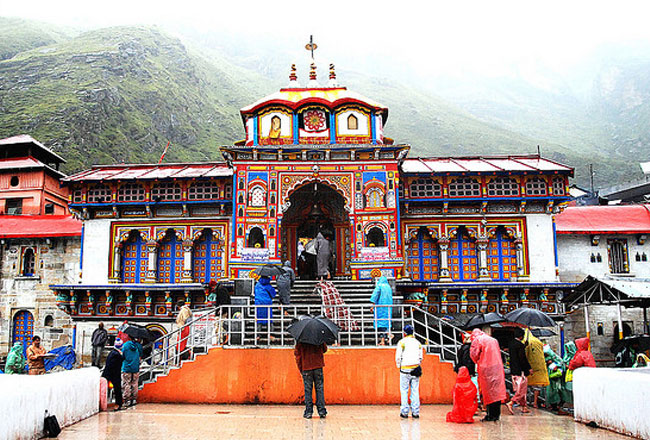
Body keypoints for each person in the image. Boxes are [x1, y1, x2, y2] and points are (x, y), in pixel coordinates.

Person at [469, 328, 507, 422]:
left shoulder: (477, 340)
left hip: (486, 368)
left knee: (488, 392)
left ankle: (490, 415)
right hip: (497, 367)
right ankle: (496, 414)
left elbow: (474, 354)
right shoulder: (493, 340)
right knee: (496, 392)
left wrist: (477, 361)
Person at [395, 324, 423, 419]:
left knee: (404, 390)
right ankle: (415, 412)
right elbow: (420, 357)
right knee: (415, 390)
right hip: (415, 368)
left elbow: (398, 357)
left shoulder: (401, 342)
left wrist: (399, 366)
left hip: (404, 369)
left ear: (404, 333)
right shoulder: (418, 343)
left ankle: (405, 411)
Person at [294, 341, 328, 419]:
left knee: (308, 390)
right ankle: (321, 411)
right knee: (319, 389)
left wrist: (301, 368)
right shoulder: (319, 337)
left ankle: (309, 412)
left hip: (306, 367)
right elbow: (325, 349)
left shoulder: (301, 340)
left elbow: (297, 355)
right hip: (318, 366)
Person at [506, 327, 531, 414]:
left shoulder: (511, 344)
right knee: (522, 390)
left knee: (519, 389)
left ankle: (524, 407)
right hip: (520, 371)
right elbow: (522, 359)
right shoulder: (520, 345)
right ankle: (511, 402)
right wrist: (528, 369)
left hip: (513, 370)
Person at [523, 328, 549, 407]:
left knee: (524, 386)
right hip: (538, 368)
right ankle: (534, 402)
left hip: (528, 367)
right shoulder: (538, 343)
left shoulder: (525, 342)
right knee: (536, 387)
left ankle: (523, 403)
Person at [454, 333, 479, 408]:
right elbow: (467, 361)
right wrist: (470, 372)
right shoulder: (468, 348)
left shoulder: (462, 347)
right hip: (468, 371)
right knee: (472, 389)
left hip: (462, 371)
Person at [543, 344, 569, 415]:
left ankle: (557, 406)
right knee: (551, 391)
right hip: (551, 377)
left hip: (557, 378)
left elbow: (561, 363)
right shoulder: (548, 358)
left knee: (558, 391)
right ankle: (554, 405)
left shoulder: (554, 357)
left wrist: (555, 365)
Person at [102, 338, 125, 411]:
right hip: (113, 374)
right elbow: (115, 365)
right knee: (117, 389)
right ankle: (118, 404)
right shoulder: (116, 355)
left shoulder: (112, 353)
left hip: (109, 374)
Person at [370, 276, 393, 345]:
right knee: (385, 324)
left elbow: (375, 295)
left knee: (380, 324)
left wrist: (373, 306)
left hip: (380, 308)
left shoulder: (379, 286)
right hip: (388, 308)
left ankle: (389, 335)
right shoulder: (388, 287)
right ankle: (383, 341)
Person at [121, 336, 143, 407]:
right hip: (135, 367)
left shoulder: (125, 345)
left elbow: (122, 355)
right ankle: (134, 399)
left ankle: (126, 400)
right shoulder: (138, 346)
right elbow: (140, 355)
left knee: (127, 383)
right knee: (135, 383)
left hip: (127, 368)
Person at [255, 276, 277, 340]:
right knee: (269, 319)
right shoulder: (268, 286)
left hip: (258, 304)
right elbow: (273, 294)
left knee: (259, 320)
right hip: (267, 304)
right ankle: (271, 334)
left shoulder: (257, 285)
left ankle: (258, 335)